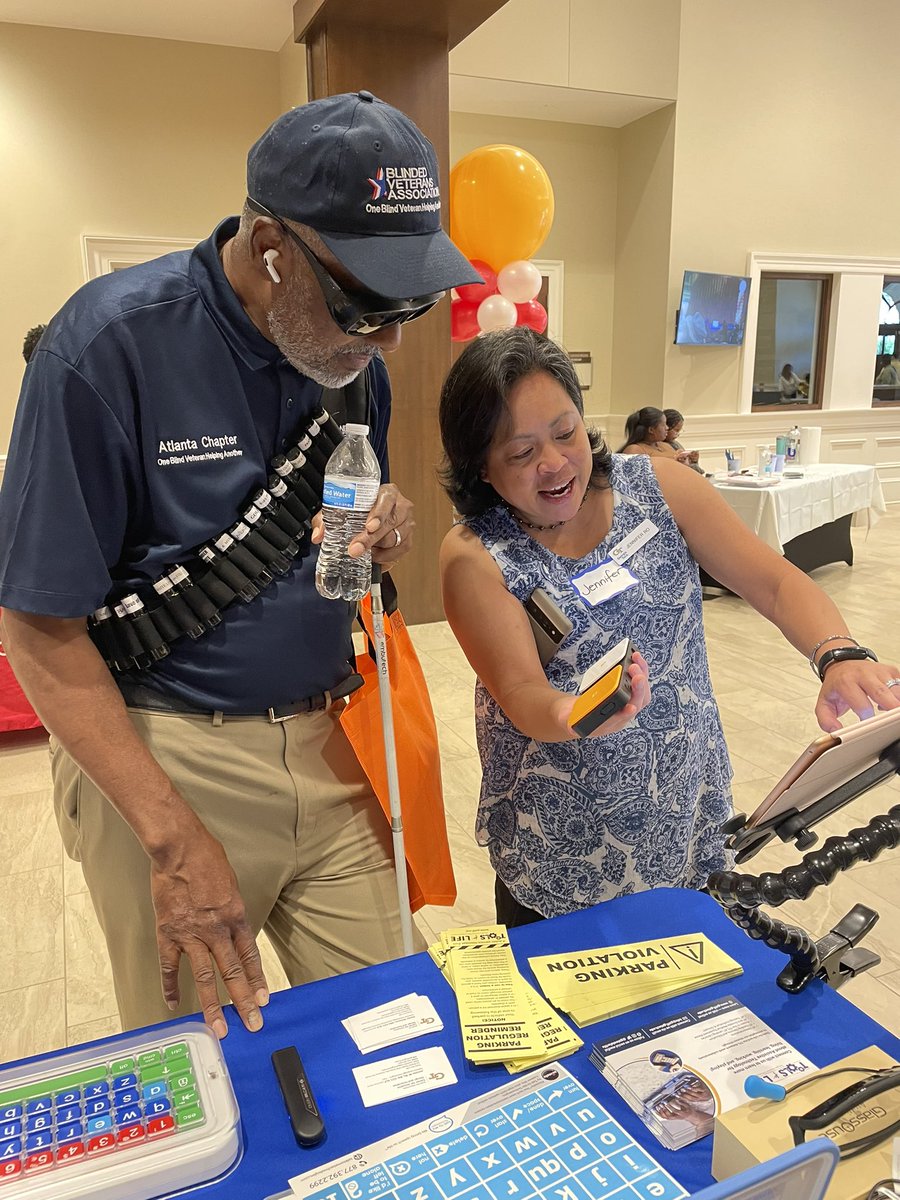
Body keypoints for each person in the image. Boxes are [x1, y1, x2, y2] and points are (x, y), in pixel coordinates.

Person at [0, 91, 479, 1037]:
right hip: (169, 753)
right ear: (270, 251)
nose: (387, 342)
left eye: (410, 307)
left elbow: (339, 540)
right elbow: (37, 626)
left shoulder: (354, 369)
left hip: (334, 742)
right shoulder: (105, 349)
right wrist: (171, 840)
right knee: (218, 1070)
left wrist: (385, 524)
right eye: (366, 305)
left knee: (405, 1034)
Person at [437, 328, 900, 927]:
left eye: (565, 432)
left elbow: (775, 582)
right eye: (521, 453)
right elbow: (519, 690)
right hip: (564, 843)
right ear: (481, 465)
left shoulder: (656, 487)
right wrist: (575, 714)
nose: (554, 464)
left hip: (686, 811)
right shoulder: (477, 554)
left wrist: (838, 653)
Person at [619, 407, 691, 463]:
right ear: (651, 430)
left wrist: (686, 459)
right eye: (663, 425)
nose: (667, 428)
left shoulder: (666, 445)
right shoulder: (634, 450)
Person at [663, 408, 703, 473]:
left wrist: (693, 461)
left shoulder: (676, 444)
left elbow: (692, 471)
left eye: (679, 431)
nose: (678, 434)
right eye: (676, 430)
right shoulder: (660, 447)